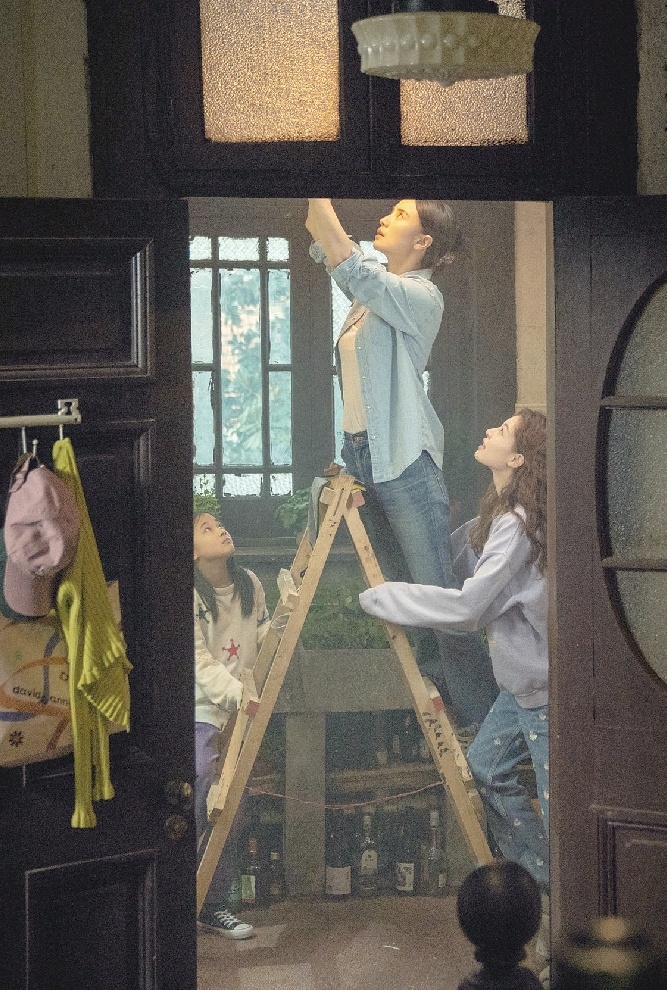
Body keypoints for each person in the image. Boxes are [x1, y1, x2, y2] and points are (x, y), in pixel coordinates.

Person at [305, 197, 498, 729]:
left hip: (406, 462)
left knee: (438, 601)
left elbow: (349, 264)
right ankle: (446, 717)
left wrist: (321, 202)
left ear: (423, 241)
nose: (384, 219)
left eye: (399, 215)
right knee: (405, 600)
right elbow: (331, 249)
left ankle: (490, 726)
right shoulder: (373, 295)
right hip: (362, 456)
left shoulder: (420, 295)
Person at [359, 408, 550, 894]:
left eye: (502, 431)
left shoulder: (517, 524)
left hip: (545, 691)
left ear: (519, 459)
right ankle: (539, 878)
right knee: (486, 767)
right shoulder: (496, 516)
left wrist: (387, 599)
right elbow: (445, 561)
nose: (489, 430)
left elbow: (467, 608)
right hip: (519, 687)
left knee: (559, 809)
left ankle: (557, 891)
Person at [193, 511, 270, 938]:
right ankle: (187, 893)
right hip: (205, 710)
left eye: (220, 524)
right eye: (206, 529)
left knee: (234, 805)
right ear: (191, 551)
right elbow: (200, 664)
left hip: (243, 711)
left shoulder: (250, 584)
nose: (221, 529)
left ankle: (213, 903)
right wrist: (240, 695)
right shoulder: (190, 594)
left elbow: (263, 638)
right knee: (206, 788)